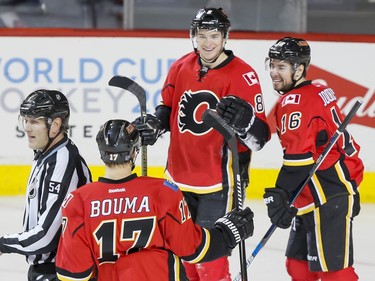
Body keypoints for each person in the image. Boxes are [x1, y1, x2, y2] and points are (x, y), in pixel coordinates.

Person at [132, 7, 270, 280]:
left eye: (214, 36)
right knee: (181, 260)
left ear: (225, 37)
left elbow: (260, 139)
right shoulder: (180, 66)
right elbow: (167, 109)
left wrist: (246, 121)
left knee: (210, 264)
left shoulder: (243, 76)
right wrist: (154, 126)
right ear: (193, 35)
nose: (208, 42)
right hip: (176, 180)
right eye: (202, 35)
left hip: (219, 184)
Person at [55, 119, 255, 281]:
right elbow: (193, 249)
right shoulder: (162, 191)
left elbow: (72, 274)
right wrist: (227, 234)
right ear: (134, 152)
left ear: (102, 153)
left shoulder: (78, 201)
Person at [263, 37, 364, 281]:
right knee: (298, 266)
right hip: (311, 193)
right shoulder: (317, 89)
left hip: (328, 192)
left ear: (299, 69)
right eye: (272, 65)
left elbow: (299, 159)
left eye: (282, 67)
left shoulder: (295, 102)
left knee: (334, 272)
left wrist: (279, 194)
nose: (274, 73)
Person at [0, 89, 92, 281]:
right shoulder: (46, 153)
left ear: (55, 125)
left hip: (61, 272)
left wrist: (3, 244)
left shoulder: (63, 161)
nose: (26, 127)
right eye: (25, 120)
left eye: (35, 121)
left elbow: (46, 237)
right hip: (48, 270)